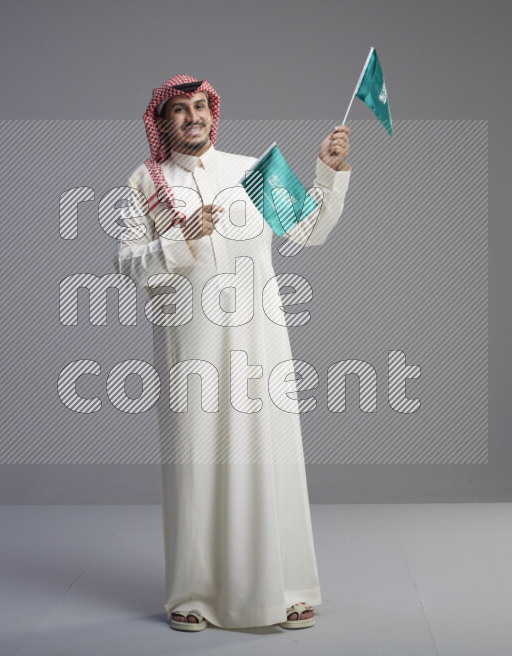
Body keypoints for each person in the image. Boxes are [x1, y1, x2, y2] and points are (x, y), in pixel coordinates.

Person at [112, 74, 351, 631]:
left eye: (200, 106)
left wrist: (328, 172)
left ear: (212, 113)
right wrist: (181, 237)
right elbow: (126, 263)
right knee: (197, 466)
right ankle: (193, 597)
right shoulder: (143, 184)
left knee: (274, 456)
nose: (192, 116)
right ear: (162, 121)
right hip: (189, 348)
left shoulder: (252, 169)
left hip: (260, 343)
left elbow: (308, 229)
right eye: (179, 109)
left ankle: (289, 586)